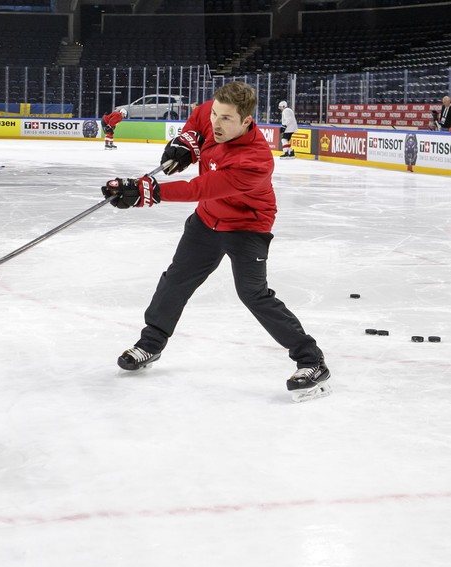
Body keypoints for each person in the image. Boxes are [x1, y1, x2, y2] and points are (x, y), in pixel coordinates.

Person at [100, 80, 330, 403]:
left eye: (226, 119)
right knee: (176, 279)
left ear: (247, 122)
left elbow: (201, 188)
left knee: (253, 294)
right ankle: (150, 343)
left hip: (247, 227)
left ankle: (311, 360)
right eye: (216, 115)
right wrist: (187, 140)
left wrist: (146, 191)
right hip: (207, 220)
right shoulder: (213, 113)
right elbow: (198, 118)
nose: (216, 124)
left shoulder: (256, 161)